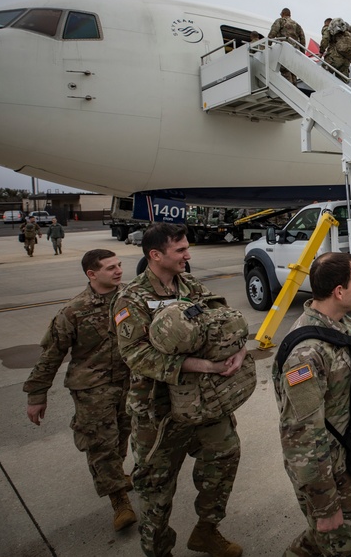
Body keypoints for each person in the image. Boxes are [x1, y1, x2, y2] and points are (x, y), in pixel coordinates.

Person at [113, 223, 245, 557]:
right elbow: (135, 355)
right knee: (156, 486)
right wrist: (203, 366)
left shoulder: (190, 285)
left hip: (203, 400)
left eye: (187, 248)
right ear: (155, 255)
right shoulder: (131, 299)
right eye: (180, 250)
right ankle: (159, 550)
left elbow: (222, 322)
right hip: (158, 411)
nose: (188, 255)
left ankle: (206, 531)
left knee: (225, 457)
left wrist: (239, 349)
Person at [273, 251, 351, 557]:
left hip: (345, 460)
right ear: (339, 292)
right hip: (329, 475)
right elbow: (302, 439)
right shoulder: (306, 357)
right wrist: (325, 506)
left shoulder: (339, 324)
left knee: (328, 541)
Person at [23, 249, 135, 532]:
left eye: (119, 265)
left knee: (122, 434)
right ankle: (119, 501)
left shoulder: (132, 298)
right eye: (110, 268)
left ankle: (116, 474)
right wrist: (37, 395)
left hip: (129, 383)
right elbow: (51, 354)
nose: (119, 271)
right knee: (100, 443)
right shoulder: (73, 311)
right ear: (92, 274)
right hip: (92, 389)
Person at [268, 8, 306, 85]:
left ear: (282, 14)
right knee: (293, 72)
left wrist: (267, 44)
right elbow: (303, 39)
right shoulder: (297, 25)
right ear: (290, 15)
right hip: (295, 51)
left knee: (285, 71)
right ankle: (294, 88)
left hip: (284, 50)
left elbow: (273, 33)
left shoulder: (280, 21)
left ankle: (289, 88)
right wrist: (302, 53)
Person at [323, 18, 351, 82]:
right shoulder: (350, 36)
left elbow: (325, 39)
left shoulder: (333, 33)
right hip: (345, 63)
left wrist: (321, 51)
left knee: (323, 74)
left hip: (334, 58)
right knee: (342, 82)